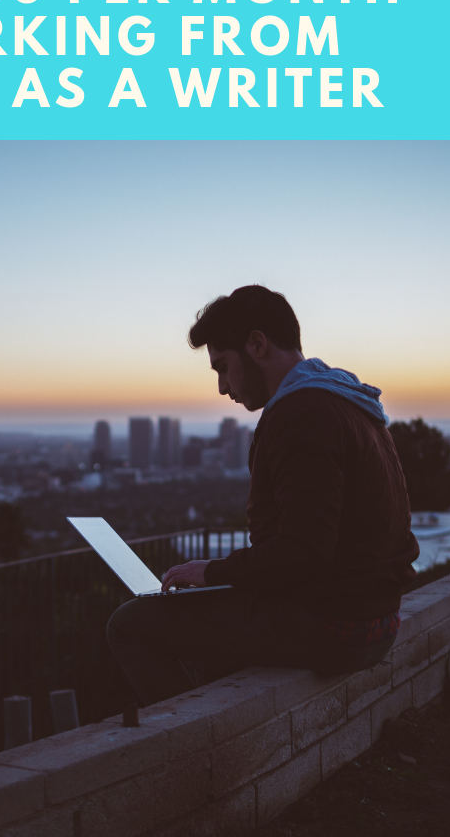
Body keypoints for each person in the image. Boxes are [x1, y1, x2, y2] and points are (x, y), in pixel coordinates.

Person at [107, 285, 420, 706]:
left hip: (336, 627)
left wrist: (213, 573)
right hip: (375, 619)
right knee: (208, 622)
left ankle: (195, 751)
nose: (222, 387)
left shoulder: (302, 413)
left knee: (130, 624)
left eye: (222, 367)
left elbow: (303, 552)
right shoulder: (349, 402)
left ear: (257, 344)